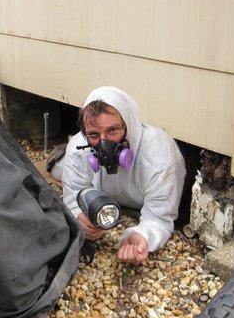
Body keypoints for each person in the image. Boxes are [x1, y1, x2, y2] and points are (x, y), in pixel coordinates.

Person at [59, 86, 186, 263]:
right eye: (94, 135)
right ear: (85, 134)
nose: (104, 144)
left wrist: (142, 236)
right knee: (59, 167)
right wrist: (79, 218)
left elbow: (160, 218)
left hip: (155, 191)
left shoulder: (159, 156)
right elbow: (73, 195)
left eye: (113, 131)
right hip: (110, 195)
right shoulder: (78, 147)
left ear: (129, 127)